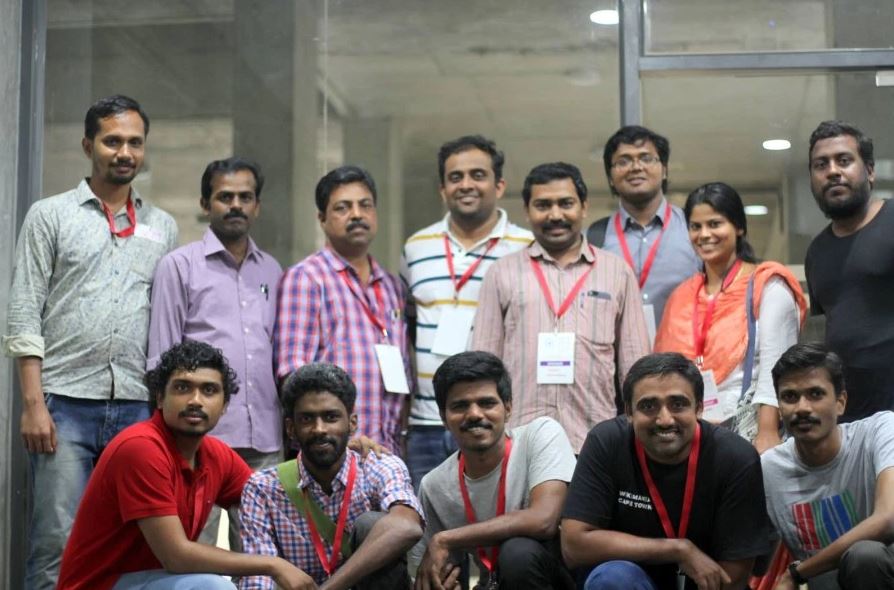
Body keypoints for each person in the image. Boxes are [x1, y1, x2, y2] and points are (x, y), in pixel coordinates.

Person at [2, 95, 178, 589]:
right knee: (57, 541)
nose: (125, 152)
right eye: (112, 140)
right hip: (64, 406)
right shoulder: (50, 215)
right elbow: (23, 311)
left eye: (135, 142)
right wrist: (33, 404)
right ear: (88, 145)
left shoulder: (162, 226)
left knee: (131, 544)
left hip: (136, 409)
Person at [57, 341, 309, 590]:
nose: (195, 400)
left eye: (209, 390)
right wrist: (272, 565)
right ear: (159, 398)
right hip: (101, 585)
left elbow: (273, 501)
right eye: (182, 388)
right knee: (212, 588)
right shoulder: (140, 448)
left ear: (224, 407)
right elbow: (176, 556)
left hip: (156, 581)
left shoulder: (214, 455)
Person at [148, 157, 283, 549]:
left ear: (257, 206)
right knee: (195, 549)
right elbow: (162, 356)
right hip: (197, 438)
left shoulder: (272, 270)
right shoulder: (179, 266)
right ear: (206, 204)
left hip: (264, 441)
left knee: (259, 552)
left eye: (246, 197)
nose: (236, 205)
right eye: (225, 197)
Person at [472, 161, 650, 452]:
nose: (555, 215)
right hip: (519, 441)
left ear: (583, 207)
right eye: (543, 205)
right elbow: (483, 366)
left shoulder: (617, 272)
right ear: (528, 211)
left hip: (595, 439)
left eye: (565, 203)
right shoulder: (501, 273)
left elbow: (635, 365)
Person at [562, 352, 771, 590]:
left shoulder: (736, 458)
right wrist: (678, 549)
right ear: (629, 413)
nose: (664, 419)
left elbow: (732, 577)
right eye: (649, 406)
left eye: (678, 404)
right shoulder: (606, 442)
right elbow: (574, 544)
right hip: (632, 582)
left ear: (699, 408)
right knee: (613, 579)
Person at [400, 135, 532, 488]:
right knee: (425, 529)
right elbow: (408, 325)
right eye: (455, 177)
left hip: (494, 420)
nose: (466, 184)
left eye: (478, 174)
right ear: (443, 189)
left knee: (495, 525)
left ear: (499, 185)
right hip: (427, 420)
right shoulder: (416, 247)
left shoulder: (526, 247)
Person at [239, 362, 424, 590]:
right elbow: (259, 576)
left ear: (352, 423)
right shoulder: (262, 488)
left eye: (331, 417)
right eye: (307, 419)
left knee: (373, 524)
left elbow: (406, 526)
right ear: (290, 428)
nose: (319, 429)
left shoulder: (379, 466)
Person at [655, 182, 806, 453]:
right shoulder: (681, 296)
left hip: (748, 436)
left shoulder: (768, 285)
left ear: (738, 227)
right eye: (695, 226)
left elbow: (779, 367)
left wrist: (767, 433)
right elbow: (661, 373)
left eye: (715, 224)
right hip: (686, 438)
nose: (704, 235)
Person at [275, 165, 412, 452]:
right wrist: (337, 439)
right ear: (322, 219)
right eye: (343, 207)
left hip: (387, 451)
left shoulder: (391, 286)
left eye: (365, 205)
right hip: (333, 453)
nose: (357, 215)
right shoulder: (307, 278)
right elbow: (294, 375)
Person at [413, 351, 576, 590]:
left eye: (487, 403)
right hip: (493, 584)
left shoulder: (540, 435)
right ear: (443, 418)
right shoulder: (434, 485)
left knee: (518, 553)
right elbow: (430, 571)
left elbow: (544, 520)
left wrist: (446, 538)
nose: (475, 414)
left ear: (508, 408)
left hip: (556, 580)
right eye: (460, 406)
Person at [762, 343, 894, 590]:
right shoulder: (769, 469)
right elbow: (754, 559)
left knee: (865, 556)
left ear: (840, 402)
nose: (802, 408)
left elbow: (888, 518)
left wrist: (796, 573)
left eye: (815, 394)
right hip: (824, 583)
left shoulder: (879, 432)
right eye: (790, 397)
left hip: (882, 573)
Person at [804, 120, 894, 421]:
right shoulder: (816, 252)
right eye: (821, 164)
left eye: (844, 161)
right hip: (850, 420)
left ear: (869, 171)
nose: (832, 171)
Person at [587, 125, 700, 333]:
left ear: (664, 170)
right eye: (623, 161)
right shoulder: (594, 238)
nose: (636, 167)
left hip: (682, 358)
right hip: (617, 359)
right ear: (611, 177)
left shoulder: (692, 228)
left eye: (646, 158)